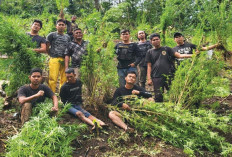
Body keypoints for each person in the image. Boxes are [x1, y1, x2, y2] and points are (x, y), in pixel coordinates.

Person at [146, 33, 192, 102]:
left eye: (157, 39)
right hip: (156, 76)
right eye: (154, 40)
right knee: (158, 96)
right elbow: (149, 66)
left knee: (172, 93)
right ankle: (160, 110)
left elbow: (179, 55)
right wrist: (149, 78)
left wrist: (192, 55)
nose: (156, 41)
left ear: (160, 40)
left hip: (169, 75)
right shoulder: (150, 52)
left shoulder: (167, 49)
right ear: (151, 42)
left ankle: (174, 108)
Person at [46, 19, 71, 92]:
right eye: (59, 25)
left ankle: (62, 96)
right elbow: (47, 46)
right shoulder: (52, 35)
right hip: (54, 58)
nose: (61, 26)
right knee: (53, 78)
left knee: (64, 78)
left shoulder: (67, 37)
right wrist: (50, 54)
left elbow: (69, 48)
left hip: (64, 60)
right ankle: (51, 96)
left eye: (63, 25)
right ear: (56, 26)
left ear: (65, 27)